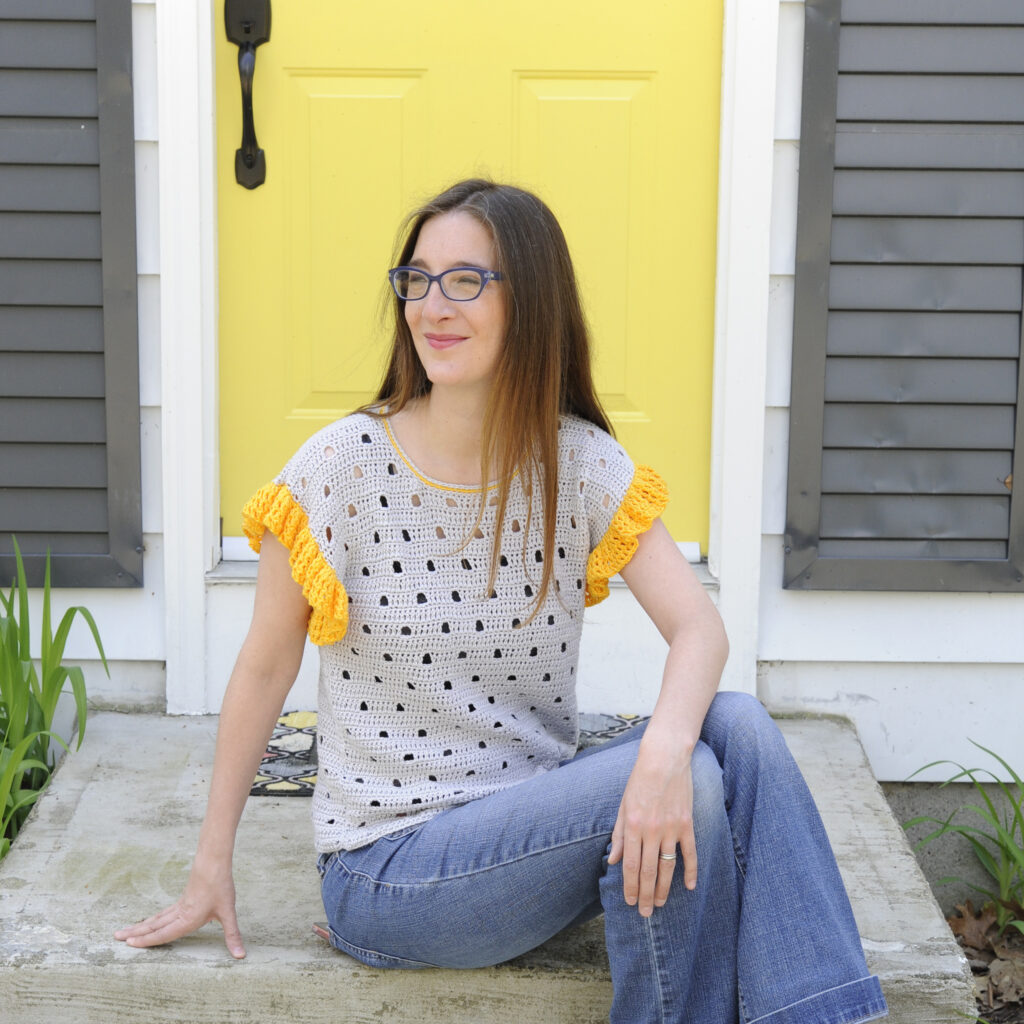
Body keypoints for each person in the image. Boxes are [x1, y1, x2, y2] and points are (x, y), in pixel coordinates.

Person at [116, 179, 887, 1023]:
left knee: (732, 727)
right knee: (688, 775)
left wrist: (663, 751)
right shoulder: (340, 469)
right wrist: (209, 863)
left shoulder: (580, 464)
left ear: (532, 300)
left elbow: (699, 626)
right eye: (417, 279)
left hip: (530, 841)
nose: (432, 306)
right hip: (392, 871)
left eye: (466, 281)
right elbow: (265, 666)